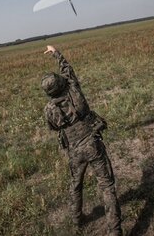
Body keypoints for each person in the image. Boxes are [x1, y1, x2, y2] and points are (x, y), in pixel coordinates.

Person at [41, 45, 122, 236]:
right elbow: (68, 70)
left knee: (75, 185)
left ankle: (77, 219)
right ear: (61, 84)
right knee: (107, 186)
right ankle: (115, 231)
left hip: (74, 151)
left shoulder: (48, 110)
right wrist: (56, 53)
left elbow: (53, 128)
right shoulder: (73, 89)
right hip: (93, 144)